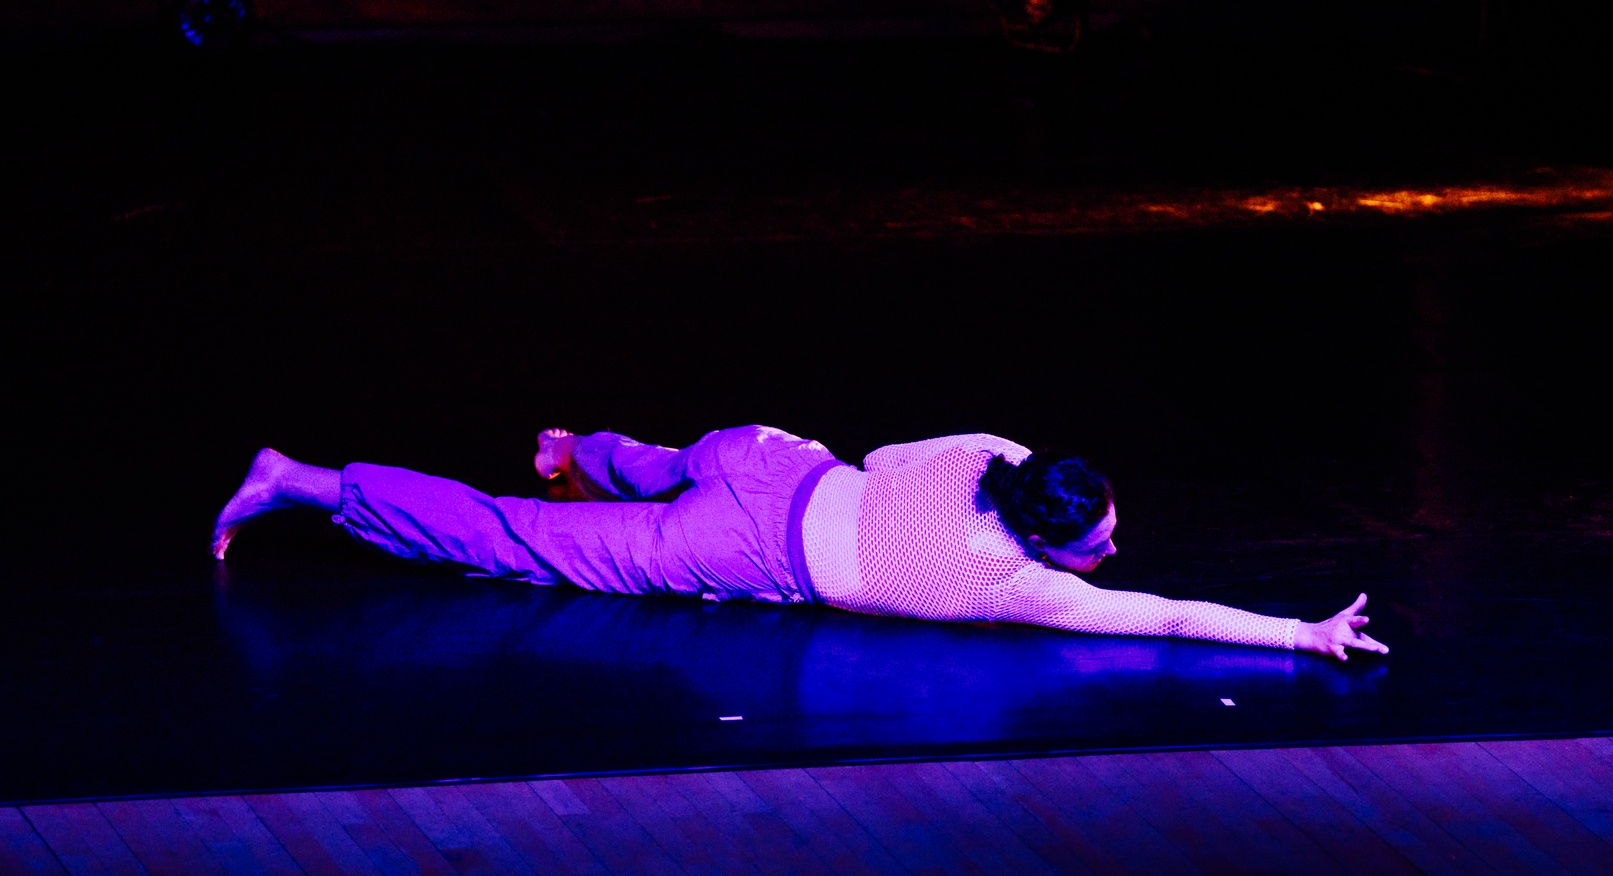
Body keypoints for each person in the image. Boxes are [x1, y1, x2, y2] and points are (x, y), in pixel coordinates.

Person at [211, 425, 1389, 660]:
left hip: (768, 453)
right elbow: (1167, 617)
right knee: (523, 537)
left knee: (658, 457)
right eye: (1101, 538)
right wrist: (1300, 633)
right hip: (738, 544)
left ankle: (580, 442)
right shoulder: (1010, 582)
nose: (1112, 551)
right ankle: (302, 481)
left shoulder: (993, 451)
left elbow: (881, 455)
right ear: (1048, 539)